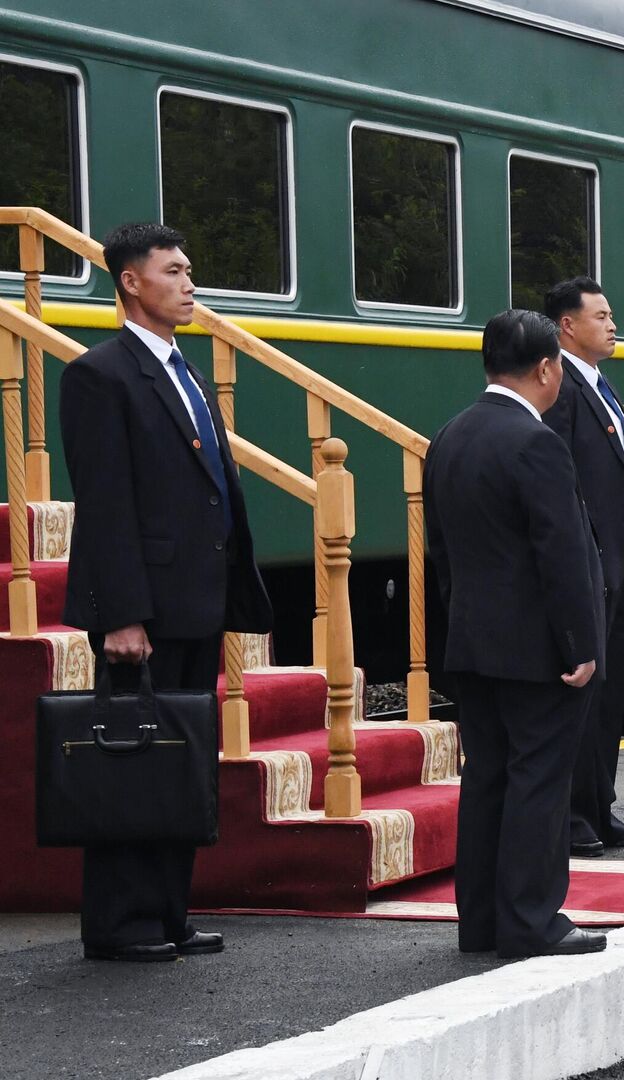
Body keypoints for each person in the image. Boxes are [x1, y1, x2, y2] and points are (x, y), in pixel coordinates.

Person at [59, 222, 274, 962]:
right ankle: (121, 922)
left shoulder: (184, 371)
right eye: (174, 271)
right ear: (130, 282)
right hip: (141, 610)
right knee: (131, 761)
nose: (190, 284)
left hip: (195, 600)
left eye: (190, 270)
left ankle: (168, 911)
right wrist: (121, 613)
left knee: (180, 760)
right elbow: (106, 501)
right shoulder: (100, 374)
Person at [425, 308, 606, 958]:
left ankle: (480, 922)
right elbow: (559, 554)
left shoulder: (449, 436)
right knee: (538, 780)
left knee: (488, 779)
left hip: (473, 645)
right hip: (536, 653)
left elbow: (440, 554)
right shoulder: (536, 443)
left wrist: (459, 631)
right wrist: (580, 644)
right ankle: (532, 920)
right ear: (547, 368)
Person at [542, 278, 624, 858]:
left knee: (610, 694)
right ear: (568, 325)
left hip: (620, 556)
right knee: (585, 696)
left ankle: (601, 805)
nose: (613, 325)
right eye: (601, 316)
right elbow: (563, 481)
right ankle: (574, 816)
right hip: (594, 560)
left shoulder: (601, 385)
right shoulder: (561, 388)